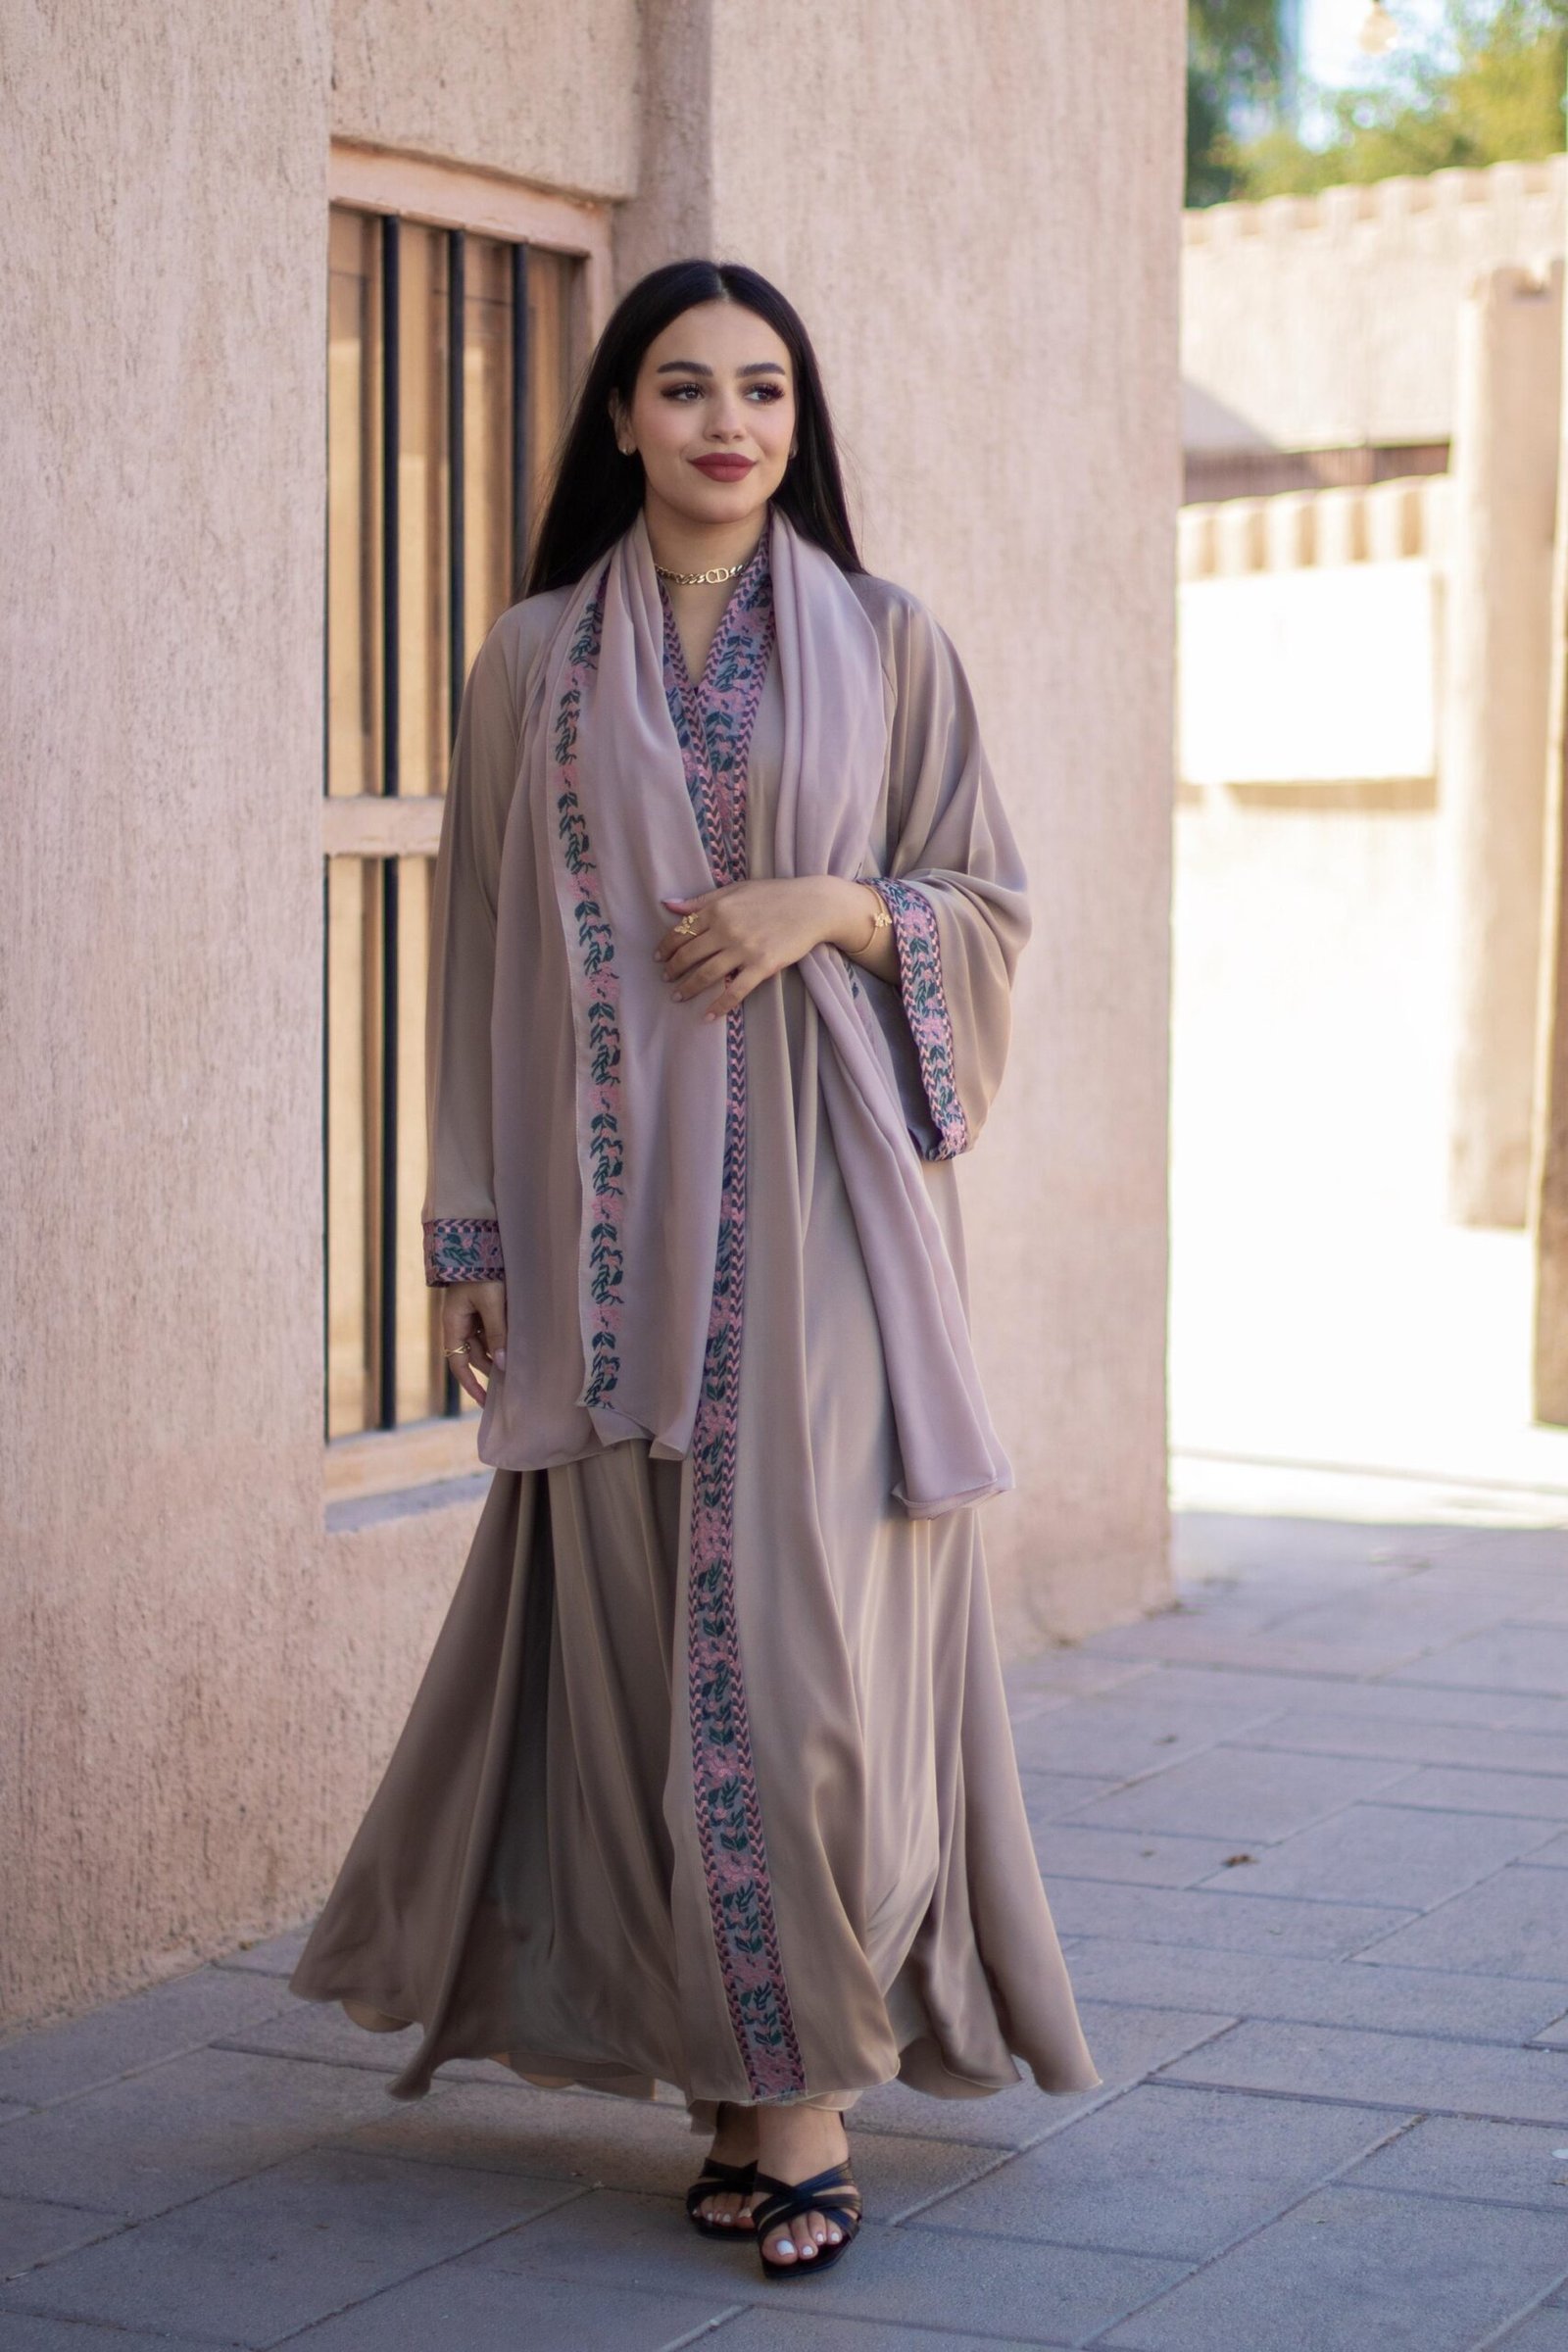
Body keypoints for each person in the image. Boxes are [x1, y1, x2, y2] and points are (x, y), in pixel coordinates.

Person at [290, 257, 1101, 2283]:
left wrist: (830, 904)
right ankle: (741, 2102)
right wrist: (468, 1240)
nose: (726, 423)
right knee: (659, 1655)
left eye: (761, 389)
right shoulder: (527, 663)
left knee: (808, 1671)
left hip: (831, 1222)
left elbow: (985, 906)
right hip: (607, 1232)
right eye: (682, 387)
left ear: (797, 423)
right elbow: (479, 950)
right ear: (621, 421)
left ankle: (805, 2101)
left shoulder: (890, 642)